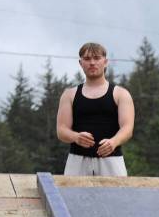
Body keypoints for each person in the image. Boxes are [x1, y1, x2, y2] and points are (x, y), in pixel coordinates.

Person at [56, 42, 135, 176]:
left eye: (97, 58)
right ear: (80, 63)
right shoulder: (69, 95)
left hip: (112, 161)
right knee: (73, 197)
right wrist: (76, 137)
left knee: (116, 197)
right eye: (87, 59)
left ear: (105, 62)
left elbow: (127, 129)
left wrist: (114, 142)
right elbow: (61, 130)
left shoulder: (121, 94)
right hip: (77, 162)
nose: (92, 63)